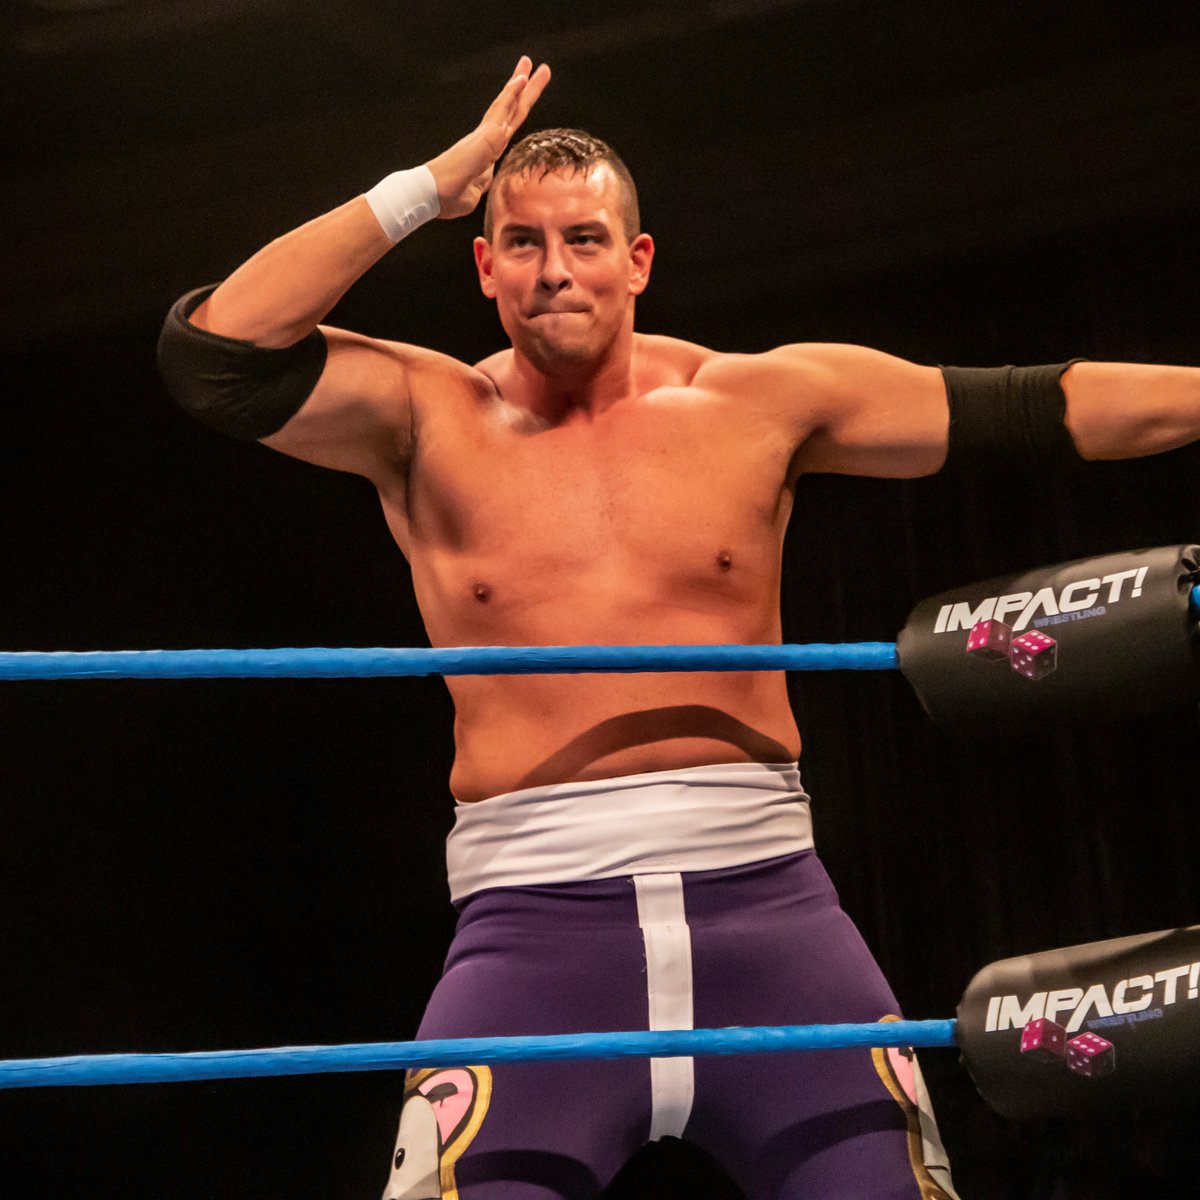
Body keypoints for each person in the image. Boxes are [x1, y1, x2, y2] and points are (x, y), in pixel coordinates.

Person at [156, 58, 1200, 1200]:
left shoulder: (759, 402)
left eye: (585, 239)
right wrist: (425, 188)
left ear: (638, 260)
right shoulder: (423, 415)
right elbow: (214, 354)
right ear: (484, 266)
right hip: (532, 940)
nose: (556, 270)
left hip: (773, 920)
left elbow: (1035, 404)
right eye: (523, 243)